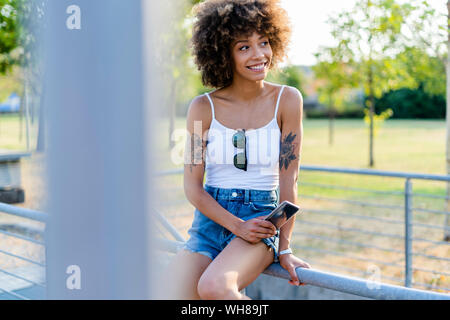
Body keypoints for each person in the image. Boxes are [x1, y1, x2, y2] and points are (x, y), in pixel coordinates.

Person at [163, 0, 310, 300]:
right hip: (211, 224)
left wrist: (285, 247)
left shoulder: (288, 100)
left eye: (264, 43)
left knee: (215, 287)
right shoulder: (201, 108)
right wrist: (235, 225)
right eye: (244, 47)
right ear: (222, 53)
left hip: (260, 220)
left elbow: (289, 180)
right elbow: (192, 187)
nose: (259, 55)